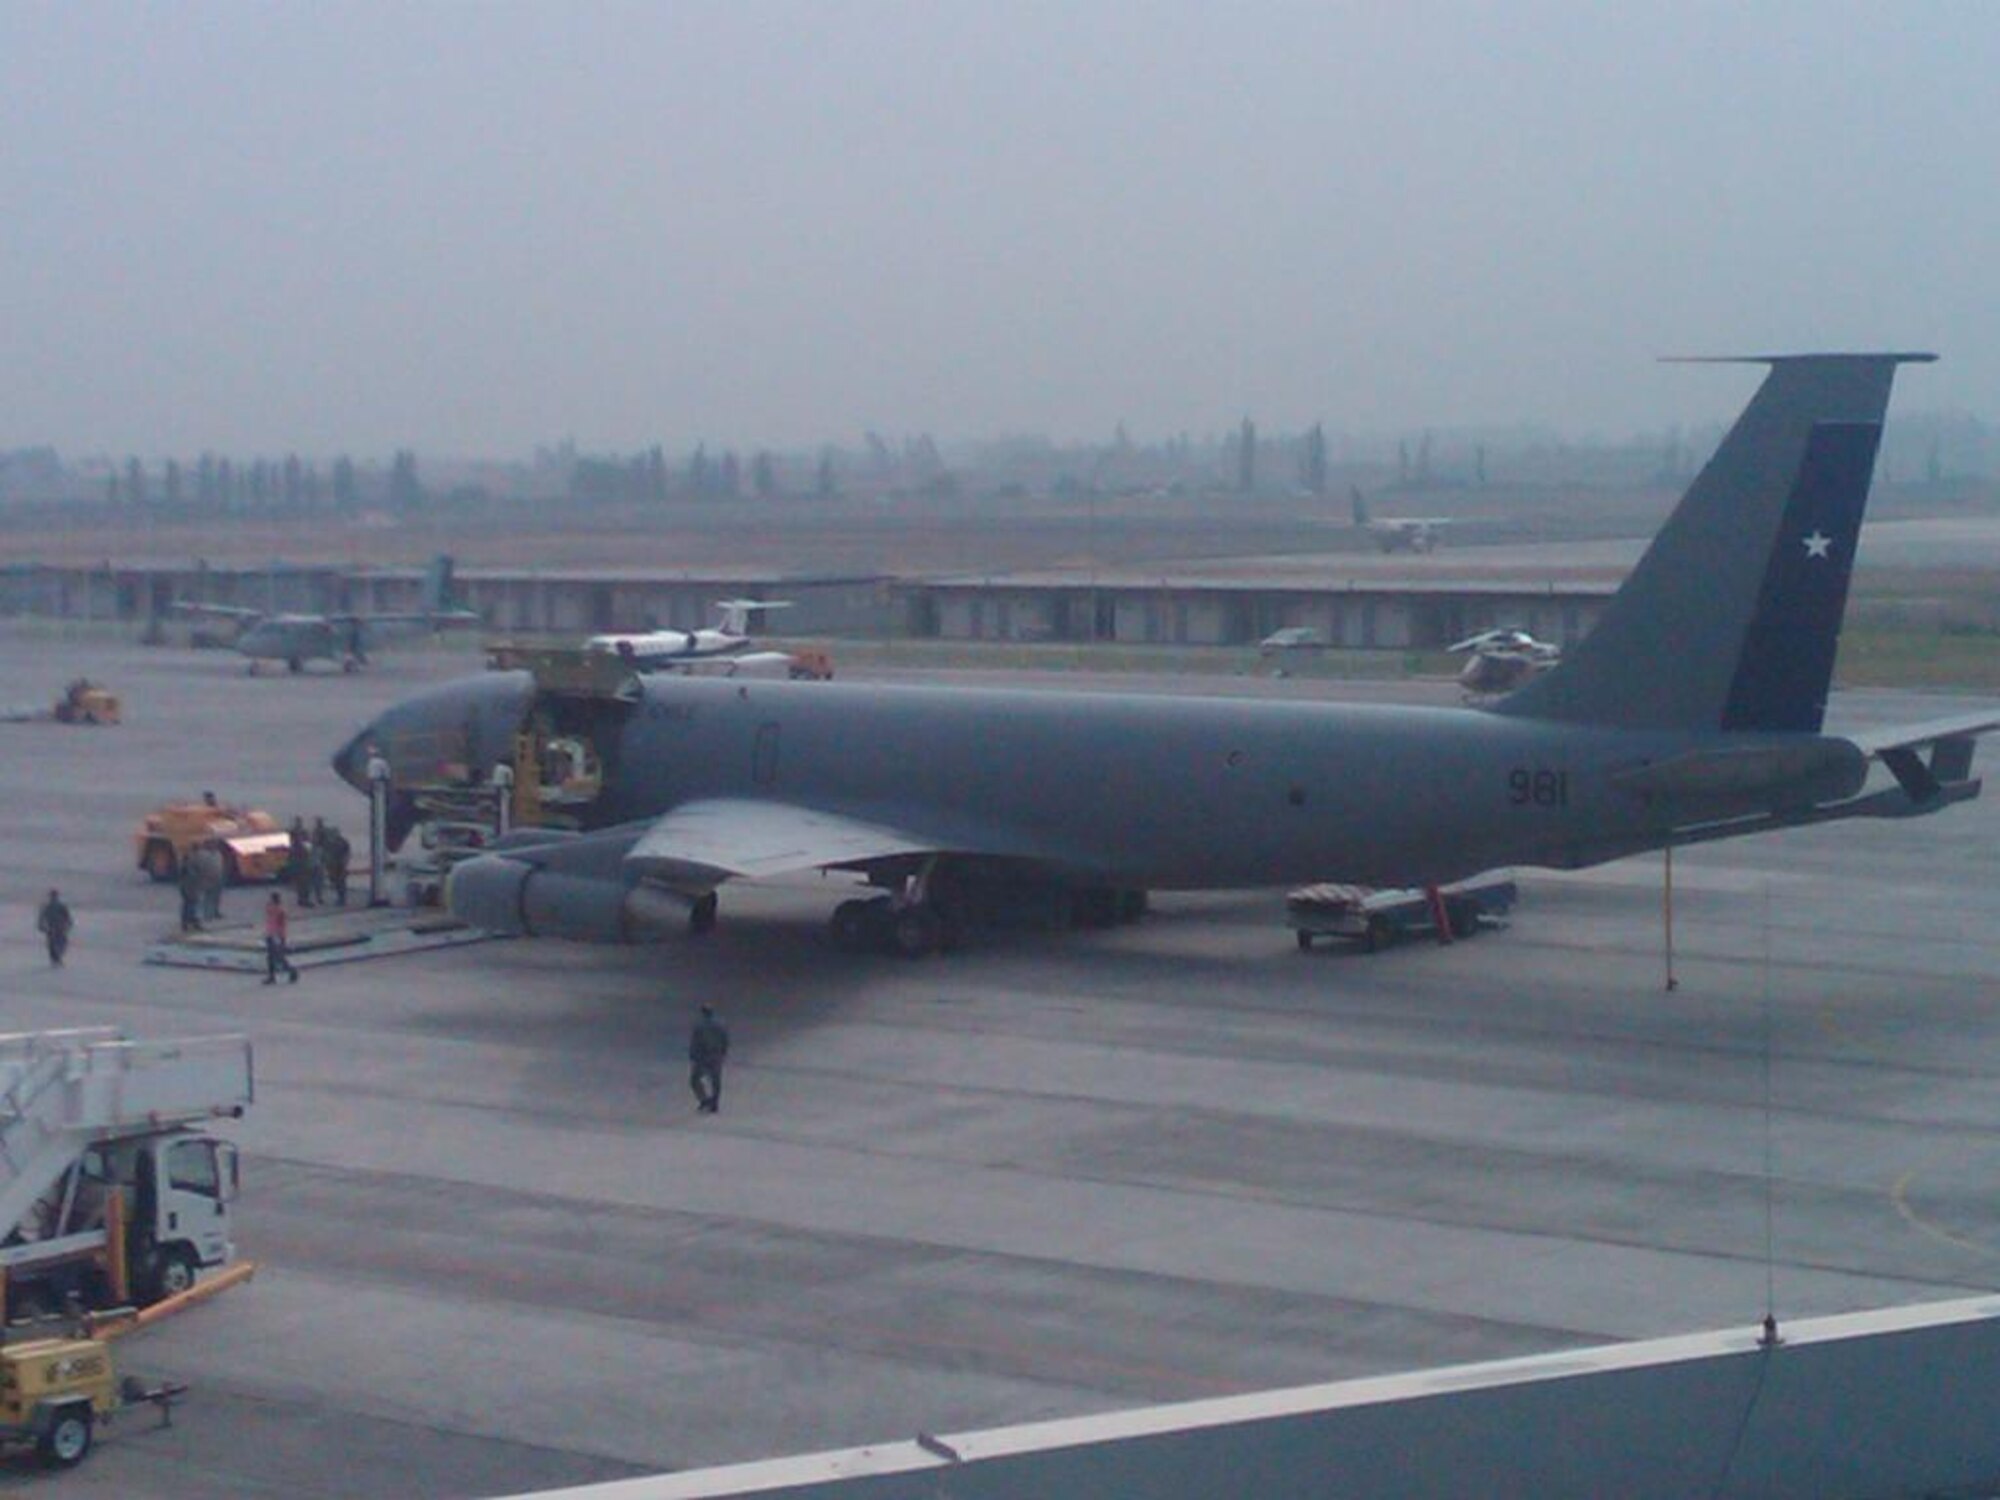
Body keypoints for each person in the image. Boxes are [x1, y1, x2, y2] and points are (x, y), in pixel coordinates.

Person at [688, 1004, 730, 1114]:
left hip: (702, 1057)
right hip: (716, 1056)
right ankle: (715, 1103)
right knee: (715, 1081)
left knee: (695, 1080)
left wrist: (693, 1056)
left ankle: (704, 1100)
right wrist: (723, 1053)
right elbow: (725, 1040)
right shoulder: (721, 1024)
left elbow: (695, 1042)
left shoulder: (699, 1026)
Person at [263, 891, 299, 984]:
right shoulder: (271, 908)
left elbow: (280, 924)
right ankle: (271, 976)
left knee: (279, 957)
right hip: (270, 934)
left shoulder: (280, 911)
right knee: (270, 957)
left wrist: (278, 937)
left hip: (277, 936)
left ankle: (292, 971)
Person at [36, 889, 73, 966]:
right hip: (54, 927)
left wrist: (69, 924)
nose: (53, 897)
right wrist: (41, 925)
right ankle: (56, 959)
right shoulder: (48, 906)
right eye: (53, 896)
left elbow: (67, 916)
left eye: (54, 896)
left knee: (58, 943)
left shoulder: (60, 906)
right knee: (54, 943)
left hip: (58, 927)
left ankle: (56, 958)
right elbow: (41, 917)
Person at [321, 823, 351, 906]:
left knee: (341, 882)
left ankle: (342, 898)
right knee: (336, 883)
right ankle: (340, 898)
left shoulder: (342, 842)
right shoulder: (331, 842)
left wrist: (345, 862)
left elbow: (347, 853)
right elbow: (327, 853)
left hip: (340, 865)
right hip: (334, 866)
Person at [177, 856, 204, 932]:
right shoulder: (188, 869)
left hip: (191, 889)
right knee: (190, 906)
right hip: (189, 889)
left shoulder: (188, 868)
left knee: (191, 906)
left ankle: (189, 923)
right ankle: (189, 923)